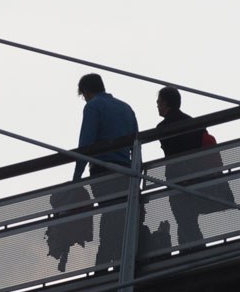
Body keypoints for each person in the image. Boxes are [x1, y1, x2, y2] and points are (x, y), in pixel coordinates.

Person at [72, 74, 141, 269]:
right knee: (121, 216)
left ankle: (104, 265)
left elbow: (86, 143)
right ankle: (121, 262)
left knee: (109, 216)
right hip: (127, 171)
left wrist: (76, 179)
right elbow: (136, 144)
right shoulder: (126, 108)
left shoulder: (93, 106)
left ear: (86, 91)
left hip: (104, 170)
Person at [151, 85, 229, 250]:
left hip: (179, 180)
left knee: (184, 218)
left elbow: (171, 154)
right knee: (187, 219)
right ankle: (190, 250)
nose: (157, 105)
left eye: (158, 102)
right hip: (201, 177)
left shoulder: (163, 127)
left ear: (166, 103)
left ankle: (194, 251)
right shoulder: (194, 123)